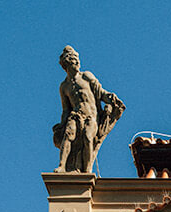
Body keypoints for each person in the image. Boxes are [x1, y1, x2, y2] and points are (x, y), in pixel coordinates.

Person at [53, 46, 125, 174]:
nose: (77, 62)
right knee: (68, 135)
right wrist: (62, 124)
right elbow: (65, 109)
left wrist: (109, 98)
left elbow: (100, 92)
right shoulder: (64, 86)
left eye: (77, 59)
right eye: (74, 60)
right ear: (67, 63)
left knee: (87, 137)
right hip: (75, 115)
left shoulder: (86, 76)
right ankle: (62, 166)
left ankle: (87, 170)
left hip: (91, 116)